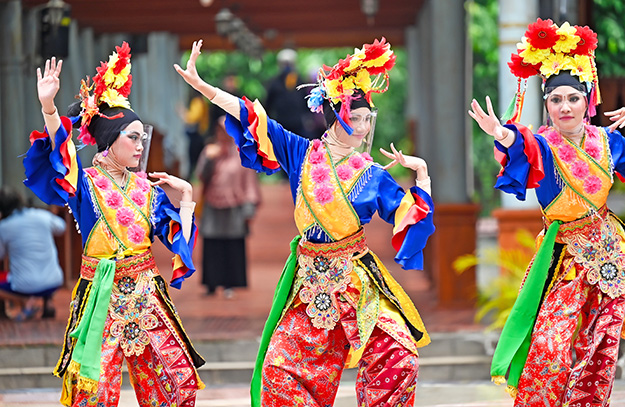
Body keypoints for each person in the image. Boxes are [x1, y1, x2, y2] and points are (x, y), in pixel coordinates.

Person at [176, 38, 435, 406]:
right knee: (278, 373)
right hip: (310, 285)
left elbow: (407, 214)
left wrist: (422, 177)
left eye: (366, 119)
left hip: (357, 283)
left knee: (400, 356)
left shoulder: (373, 173)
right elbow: (253, 117)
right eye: (353, 118)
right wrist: (204, 88)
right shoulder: (302, 153)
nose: (361, 128)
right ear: (333, 116)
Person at [469, 19, 625, 407]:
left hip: (610, 257)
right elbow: (519, 147)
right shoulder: (542, 143)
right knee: (549, 347)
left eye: (573, 98)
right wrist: (501, 134)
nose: (565, 107)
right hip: (562, 257)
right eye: (556, 100)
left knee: (599, 353)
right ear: (547, 105)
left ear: (587, 100)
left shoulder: (606, 141)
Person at [25, 43, 205, 407]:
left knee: (176, 382)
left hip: (147, 293)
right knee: (92, 393)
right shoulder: (84, 182)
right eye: (133, 137)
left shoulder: (148, 189)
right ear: (110, 140)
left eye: (142, 137)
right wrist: (49, 108)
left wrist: (185, 197)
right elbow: (59, 153)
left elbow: (177, 242)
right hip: (101, 295)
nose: (141, 146)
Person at [195, 112, 261, 297]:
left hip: (234, 208)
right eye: (220, 130)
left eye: (227, 131)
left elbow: (249, 183)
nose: (223, 134)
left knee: (232, 245)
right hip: (212, 205)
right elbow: (201, 175)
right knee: (212, 246)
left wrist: (249, 209)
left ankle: (230, 283)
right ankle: (211, 283)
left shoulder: (243, 154)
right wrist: (209, 158)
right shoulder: (210, 151)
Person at [0, 186, 65, 321]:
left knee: (12, 277)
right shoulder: (40, 215)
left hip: (24, 286)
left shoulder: (4, 226)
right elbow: (61, 227)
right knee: (43, 263)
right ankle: (47, 302)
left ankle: (25, 302)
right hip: (54, 281)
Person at [264, 48, 315, 139]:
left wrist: (308, 118)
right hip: (281, 123)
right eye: (284, 63)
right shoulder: (274, 83)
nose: (287, 66)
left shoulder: (300, 81)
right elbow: (268, 104)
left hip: (298, 124)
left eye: (289, 63)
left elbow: (306, 101)